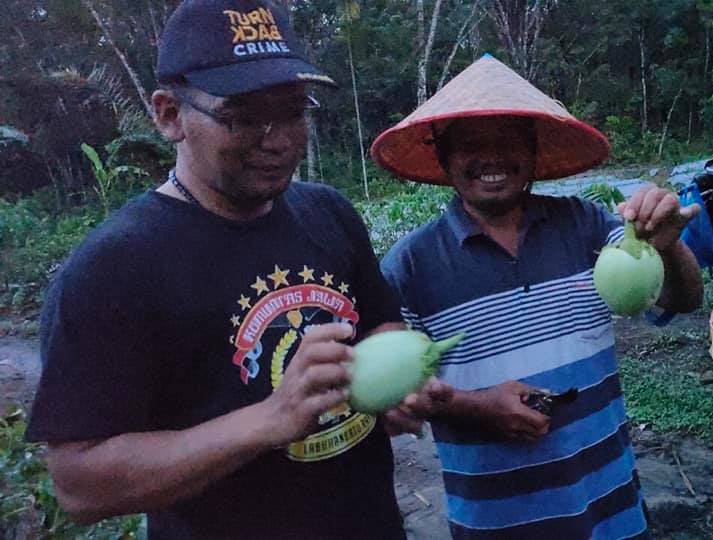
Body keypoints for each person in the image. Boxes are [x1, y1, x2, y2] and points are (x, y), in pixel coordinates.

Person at [25, 1, 448, 538]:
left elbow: (380, 322)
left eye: (293, 111)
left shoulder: (329, 214)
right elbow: (79, 484)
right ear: (169, 115)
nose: (279, 140)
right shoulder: (114, 268)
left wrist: (399, 382)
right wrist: (269, 420)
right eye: (243, 117)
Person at [373, 55, 704, 539]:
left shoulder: (588, 225)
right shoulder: (409, 267)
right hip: (497, 524)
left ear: (532, 150)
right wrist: (474, 407)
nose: (491, 157)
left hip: (612, 513)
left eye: (508, 140)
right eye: (470, 144)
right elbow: (394, 397)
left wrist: (667, 246)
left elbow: (682, 299)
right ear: (443, 157)